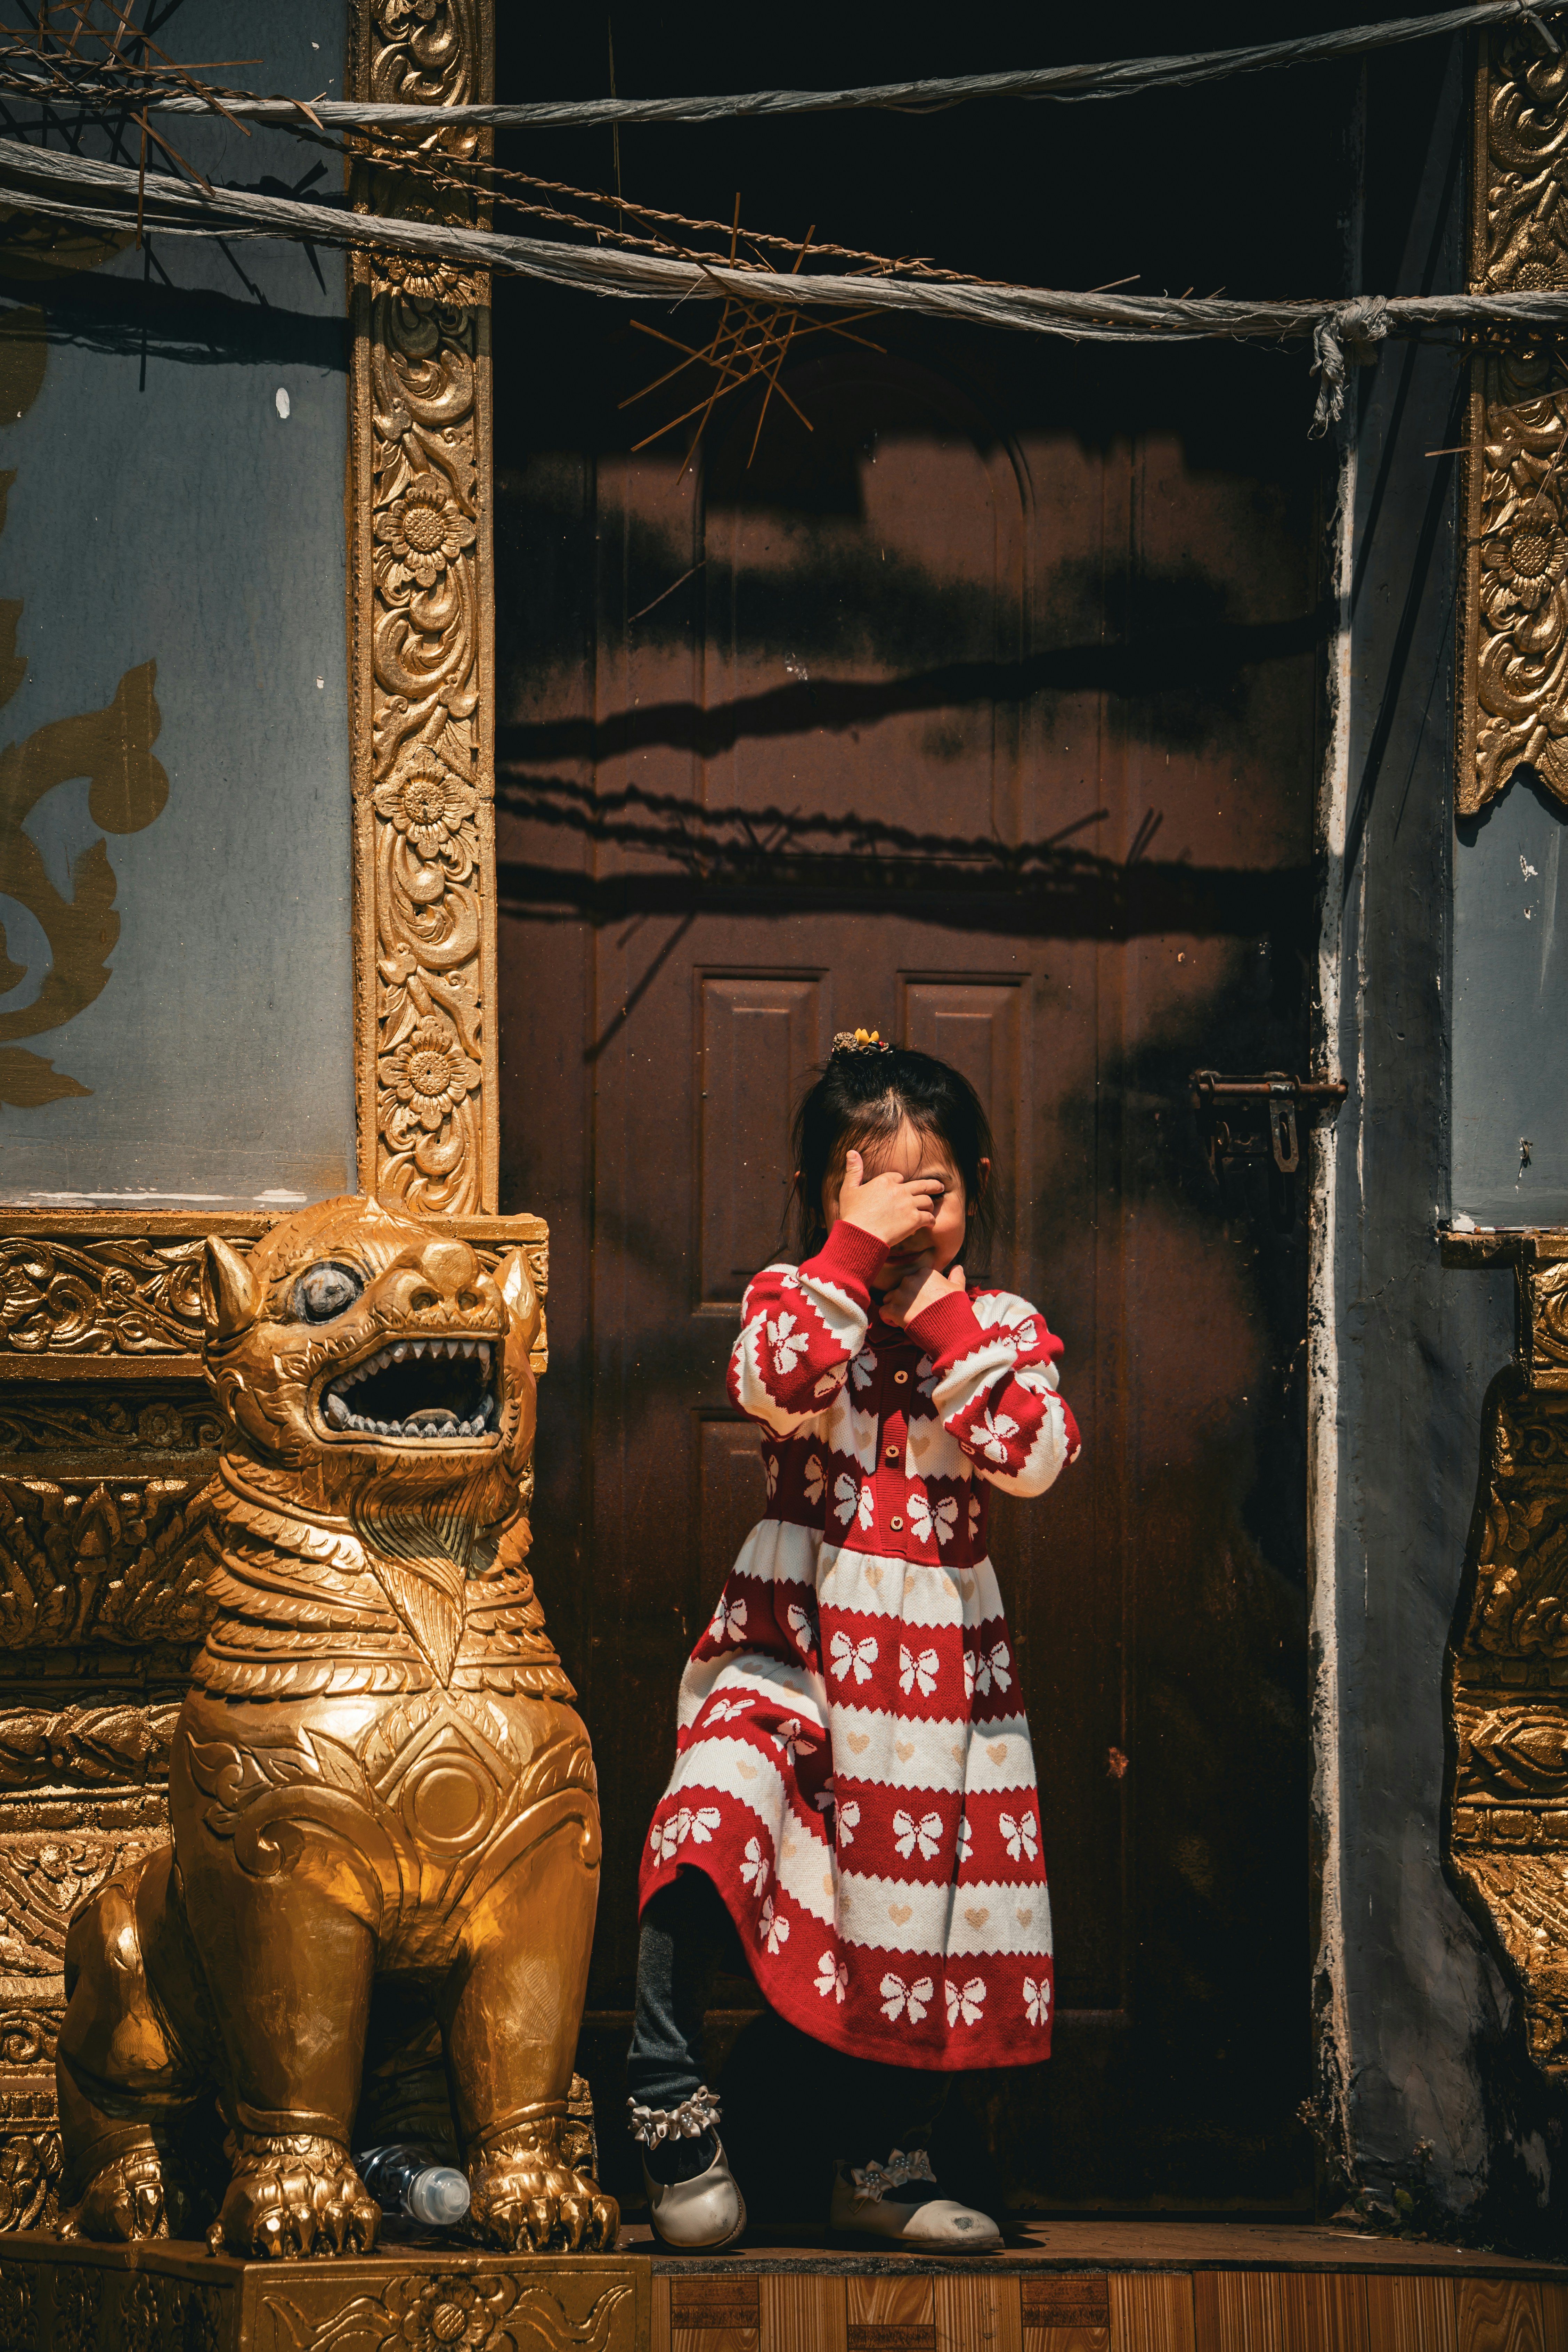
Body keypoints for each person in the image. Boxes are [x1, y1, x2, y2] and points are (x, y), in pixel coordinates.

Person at [626, 1031, 1080, 2251]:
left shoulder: (1004, 1328)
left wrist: (945, 1327)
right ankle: (669, 2104)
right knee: (706, 1822)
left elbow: (1035, 1456)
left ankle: (879, 2163)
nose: (909, 1212)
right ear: (824, 1195)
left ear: (976, 1188)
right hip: (793, 1642)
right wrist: (849, 1256)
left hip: (938, 1677)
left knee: (913, 1913)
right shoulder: (798, 1298)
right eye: (877, 1184)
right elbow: (773, 1379)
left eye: (934, 1187)